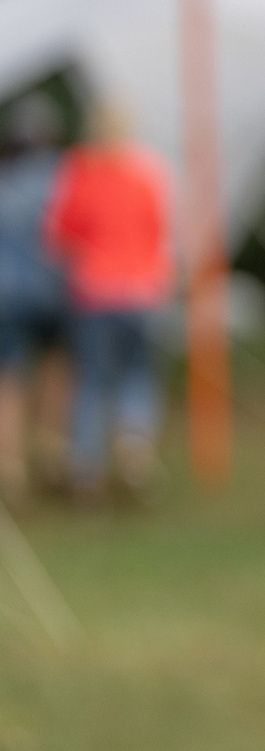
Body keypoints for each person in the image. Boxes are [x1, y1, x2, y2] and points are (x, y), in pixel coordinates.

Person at [43, 103, 174, 502]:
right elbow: (161, 231)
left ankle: (87, 470)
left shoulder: (80, 171)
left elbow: (57, 233)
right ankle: (133, 446)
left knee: (93, 380)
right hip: (143, 291)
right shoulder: (147, 172)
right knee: (137, 375)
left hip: (93, 291)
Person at [0, 93, 71, 504]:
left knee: (8, 379)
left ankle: (10, 466)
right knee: (58, 367)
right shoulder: (63, 177)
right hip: (54, 292)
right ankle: (51, 450)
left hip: (6, 296)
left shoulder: (4, 181)